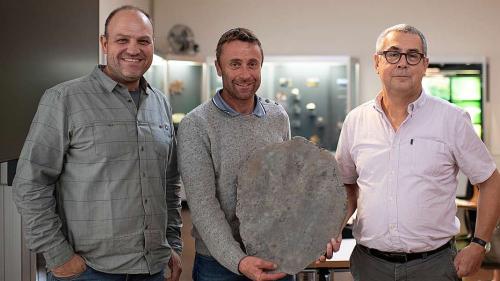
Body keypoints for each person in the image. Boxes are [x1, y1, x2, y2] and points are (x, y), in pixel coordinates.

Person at [13, 6, 182, 281]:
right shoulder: (64, 99)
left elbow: (169, 182)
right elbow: (30, 182)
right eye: (122, 40)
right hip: (88, 271)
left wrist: (173, 244)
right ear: (104, 44)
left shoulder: (160, 102)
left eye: (143, 41)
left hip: (152, 268)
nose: (133, 49)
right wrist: (58, 256)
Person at [329, 24, 500, 281]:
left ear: (424, 65)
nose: (402, 63)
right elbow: (347, 186)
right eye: (393, 54)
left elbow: (491, 181)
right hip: (370, 266)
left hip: (433, 266)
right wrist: (332, 228)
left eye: (413, 55)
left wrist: (479, 244)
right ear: (377, 62)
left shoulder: (451, 119)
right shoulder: (356, 121)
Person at [177, 28, 291, 281]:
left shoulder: (277, 116)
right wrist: (238, 261)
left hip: (275, 257)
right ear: (219, 67)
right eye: (235, 64)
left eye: (253, 64)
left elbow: (286, 187)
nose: (245, 74)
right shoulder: (196, 124)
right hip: (220, 266)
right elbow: (204, 206)